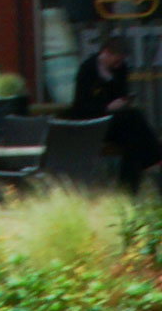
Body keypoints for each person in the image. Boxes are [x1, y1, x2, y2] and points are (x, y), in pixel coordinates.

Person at [69, 32, 162, 192]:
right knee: (134, 118)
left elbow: (120, 92)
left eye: (121, 62)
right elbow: (81, 107)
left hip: (116, 122)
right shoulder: (88, 69)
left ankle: (128, 188)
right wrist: (106, 107)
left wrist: (119, 97)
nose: (118, 65)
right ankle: (155, 157)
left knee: (132, 138)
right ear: (106, 53)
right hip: (93, 122)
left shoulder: (120, 69)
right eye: (116, 61)